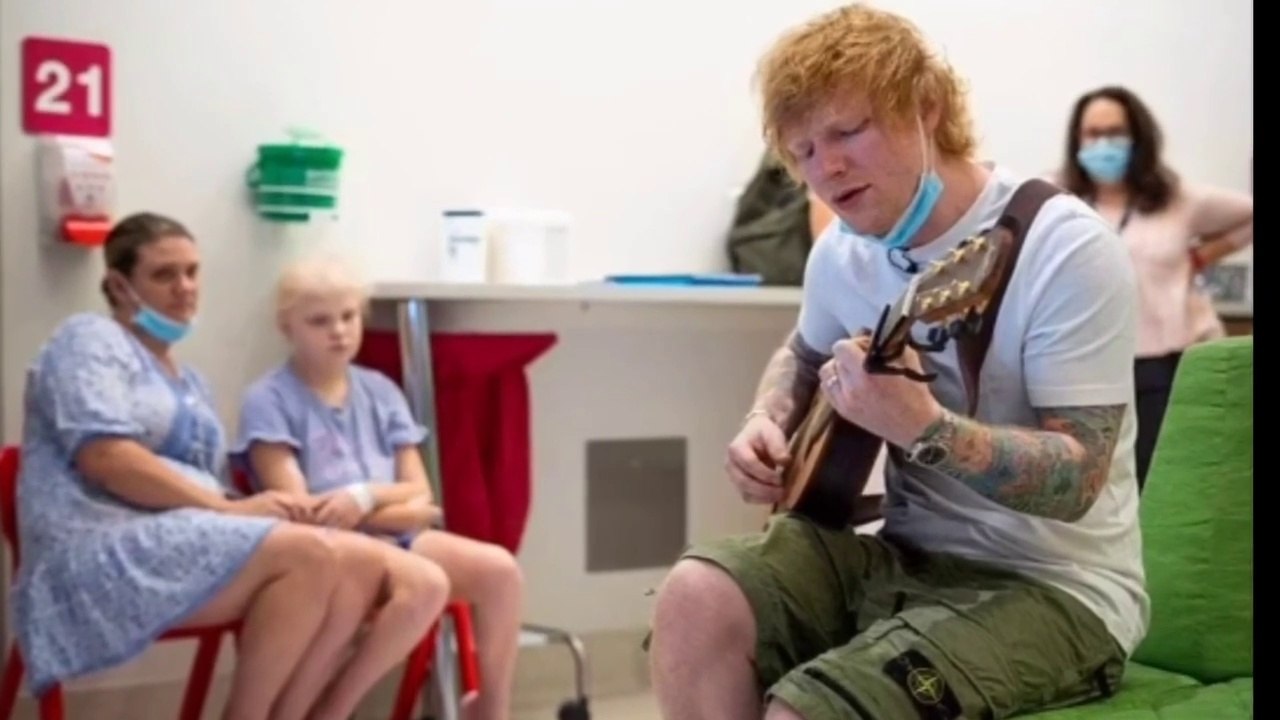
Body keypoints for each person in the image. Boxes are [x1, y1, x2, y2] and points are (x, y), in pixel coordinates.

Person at [646, 5, 1147, 719]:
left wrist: (925, 428)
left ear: (927, 107)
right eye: (804, 151)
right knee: (695, 597)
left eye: (848, 131)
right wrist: (767, 417)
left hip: (1056, 586)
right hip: (903, 554)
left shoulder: (1062, 247)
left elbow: (1079, 479)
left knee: (808, 710)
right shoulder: (842, 252)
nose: (827, 168)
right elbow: (802, 353)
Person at [10, 212, 451, 720]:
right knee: (309, 552)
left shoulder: (190, 383)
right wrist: (227, 509)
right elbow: (106, 458)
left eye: (192, 271)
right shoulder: (88, 340)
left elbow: (207, 486)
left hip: (182, 535)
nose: (184, 287)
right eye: (164, 274)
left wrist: (254, 507)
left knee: (352, 561)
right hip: (95, 547)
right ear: (118, 286)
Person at [233, 255, 525, 720]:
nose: (339, 332)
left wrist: (362, 499)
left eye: (348, 317)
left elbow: (422, 497)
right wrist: (391, 507)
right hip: (331, 550)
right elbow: (306, 512)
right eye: (319, 321)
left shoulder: (381, 391)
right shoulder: (268, 399)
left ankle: (490, 709)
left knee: (500, 571)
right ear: (287, 327)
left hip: (397, 537)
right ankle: (335, 709)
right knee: (423, 587)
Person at [1052, 85, 1253, 486]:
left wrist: (1204, 255)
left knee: (1153, 477)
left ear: (1138, 137)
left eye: (1115, 132)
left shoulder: (1177, 199)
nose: (1103, 144)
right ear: (1077, 140)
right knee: (1093, 482)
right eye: (1093, 134)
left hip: (1159, 364)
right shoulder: (1058, 200)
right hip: (1083, 365)